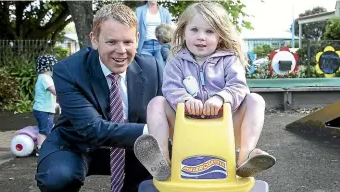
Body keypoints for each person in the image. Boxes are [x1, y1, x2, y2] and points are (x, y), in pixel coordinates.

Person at [134, 2, 276, 181]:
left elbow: (238, 86)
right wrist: (185, 101)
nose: (201, 37)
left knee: (255, 100)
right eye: (194, 30)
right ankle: (161, 159)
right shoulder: (176, 60)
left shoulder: (229, 59)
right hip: (185, 127)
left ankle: (245, 157)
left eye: (209, 31)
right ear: (183, 31)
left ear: (220, 36)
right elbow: (170, 87)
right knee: (157, 102)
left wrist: (220, 98)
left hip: (226, 127)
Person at [35, 4, 163, 192]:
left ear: (137, 39)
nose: (121, 50)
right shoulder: (68, 71)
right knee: (57, 178)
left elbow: (162, 111)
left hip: (132, 146)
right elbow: (92, 129)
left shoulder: (152, 67)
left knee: (164, 171)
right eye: (111, 42)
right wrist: (153, 129)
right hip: (77, 144)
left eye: (128, 42)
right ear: (94, 40)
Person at [33, 54, 58, 156]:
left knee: (46, 129)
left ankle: (42, 147)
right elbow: (54, 91)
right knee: (44, 131)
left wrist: (56, 104)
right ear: (49, 67)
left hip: (44, 108)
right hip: (44, 110)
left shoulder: (43, 77)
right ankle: (41, 149)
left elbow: (45, 97)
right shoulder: (45, 78)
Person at [135, 0, 172, 68]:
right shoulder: (139, 11)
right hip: (145, 46)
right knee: (146, 70)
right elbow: (135, 29)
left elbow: (169, 31)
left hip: (160, 46)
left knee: (161, 69)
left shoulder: (165, 12)